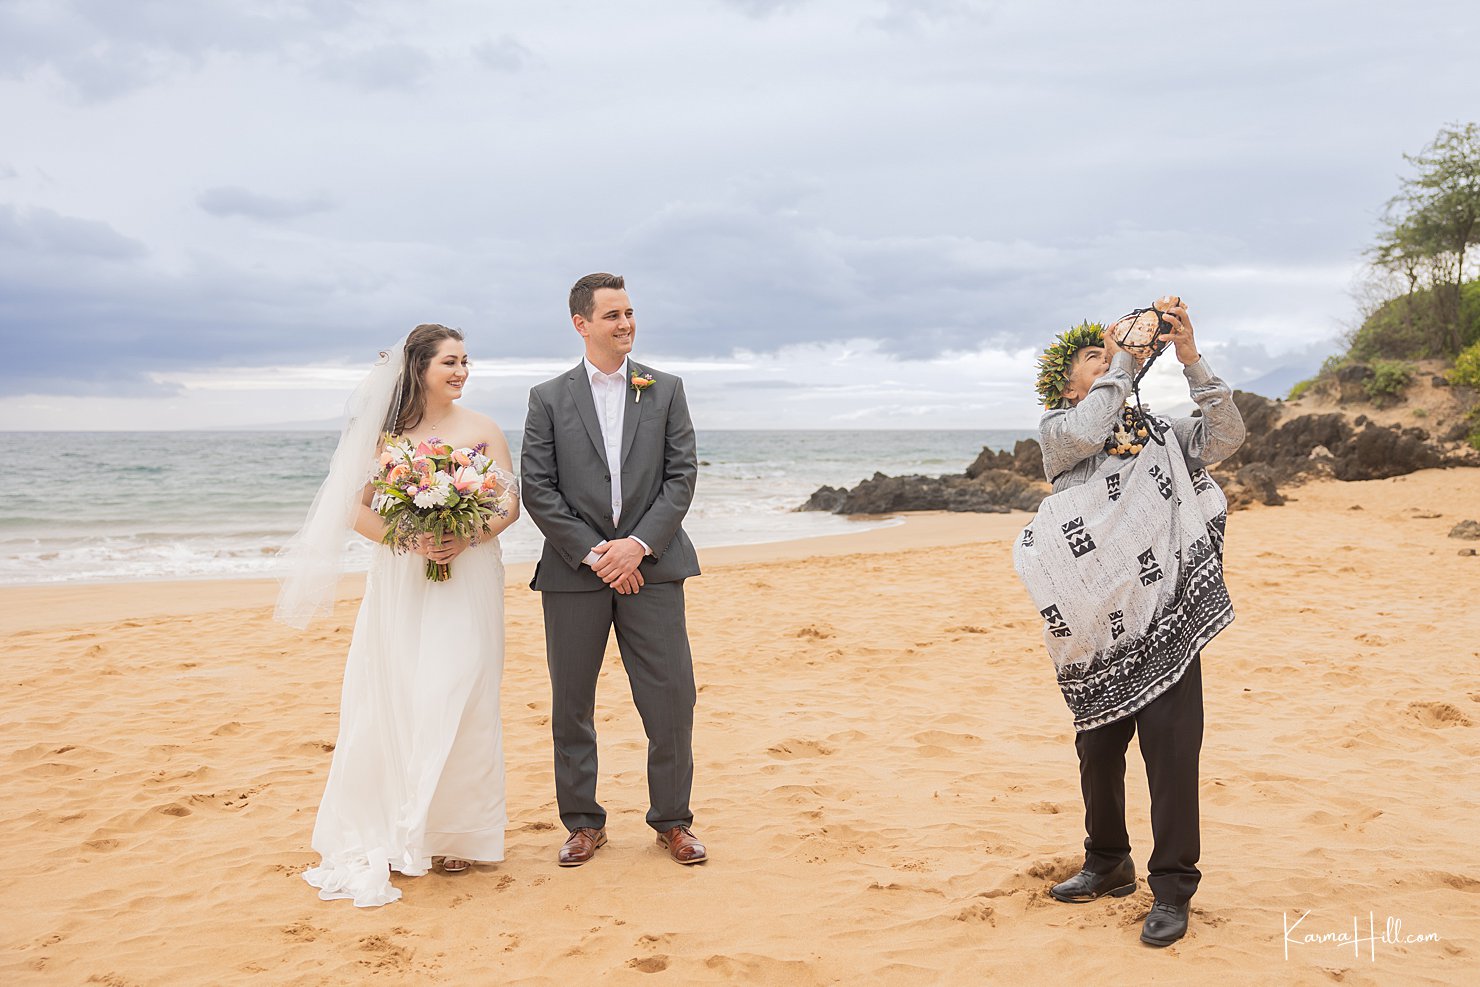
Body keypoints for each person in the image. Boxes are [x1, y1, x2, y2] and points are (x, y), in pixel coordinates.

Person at [1013, 297, 1245, 947]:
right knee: (1098, 747)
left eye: (1108, 355)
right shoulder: (1058, 428)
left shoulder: (1163, 434)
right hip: (1096, 621)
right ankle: (1107, 860)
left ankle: (1171, 887)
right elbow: (1094, 425)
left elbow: (1226, 438)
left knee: (1171, 754)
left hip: (1163, 611)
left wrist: (1191, 357)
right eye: (1094, 357)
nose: (1109, 360)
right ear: (1069, 384)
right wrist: (1126, 356)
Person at [276, 324, 520, 907]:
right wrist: (411, 538)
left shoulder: (483, 429)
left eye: (465, 361)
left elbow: (510, 503)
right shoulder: (385, 437)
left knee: (464, 690)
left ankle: (459, 832)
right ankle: (401, 823)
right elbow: (351, 510)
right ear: (419, 368)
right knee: (403, 691)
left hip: (470, 573)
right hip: (404, 578)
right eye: (449, 362)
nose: (461, 371)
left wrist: (467, 534)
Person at [520, 272, 706, 867]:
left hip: (653, 566)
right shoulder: (547, 398)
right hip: (576, 574)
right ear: (581, 324)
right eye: (612, 315)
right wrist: (600, 553)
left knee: (672, 697)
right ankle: (582, 823)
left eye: (629, 313)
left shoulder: (666, 388)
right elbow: (538, 489)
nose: (625, 324)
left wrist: (639, 546)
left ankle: (673, 821)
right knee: (572, 701)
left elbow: (682, 477)